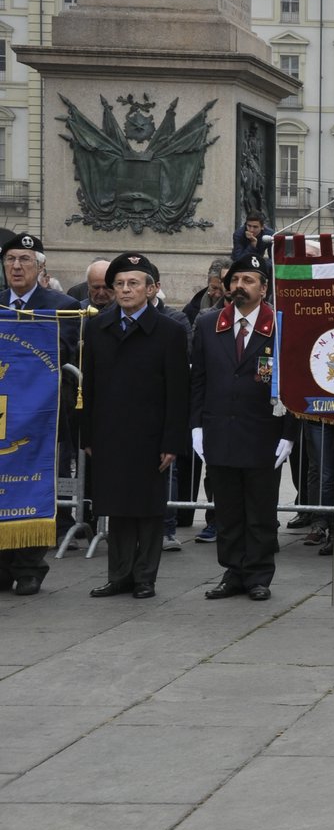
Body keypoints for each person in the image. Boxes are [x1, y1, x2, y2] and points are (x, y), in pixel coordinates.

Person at [82, 253, 188, 599]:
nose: (125, 290)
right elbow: (90, 386)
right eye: (119, 284)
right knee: (117, 506)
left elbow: (178, 391)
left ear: (151, 288)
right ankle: (119, 574)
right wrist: (87, 434)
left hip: (150, 435)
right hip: (110, 432)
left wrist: (172, 440)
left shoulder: (169, 331)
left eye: (133, 283)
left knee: (148, 508)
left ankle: (145, 576)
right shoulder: (98, 327)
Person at [190, 254, 292, 602]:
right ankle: (233, 571)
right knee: (229, 509)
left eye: (248, 280)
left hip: (263, 431)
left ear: (264, 288)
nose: (239, 287)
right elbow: (198, 379)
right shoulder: (208, 323)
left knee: (260, 509)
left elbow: (293, 383)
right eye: (234, 280)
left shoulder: (280, 324)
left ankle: (259, 574)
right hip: (220, 429)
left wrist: (289, 434)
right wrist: (196, 426)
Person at [1, 234, 81, 595]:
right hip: (3, 417)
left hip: (40, 418)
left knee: (34, 488)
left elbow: (65, 355)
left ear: (40, 266)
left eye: (25, 260)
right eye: (11, 260)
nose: (17, 266)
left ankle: (30, 566)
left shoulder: (61, 305)